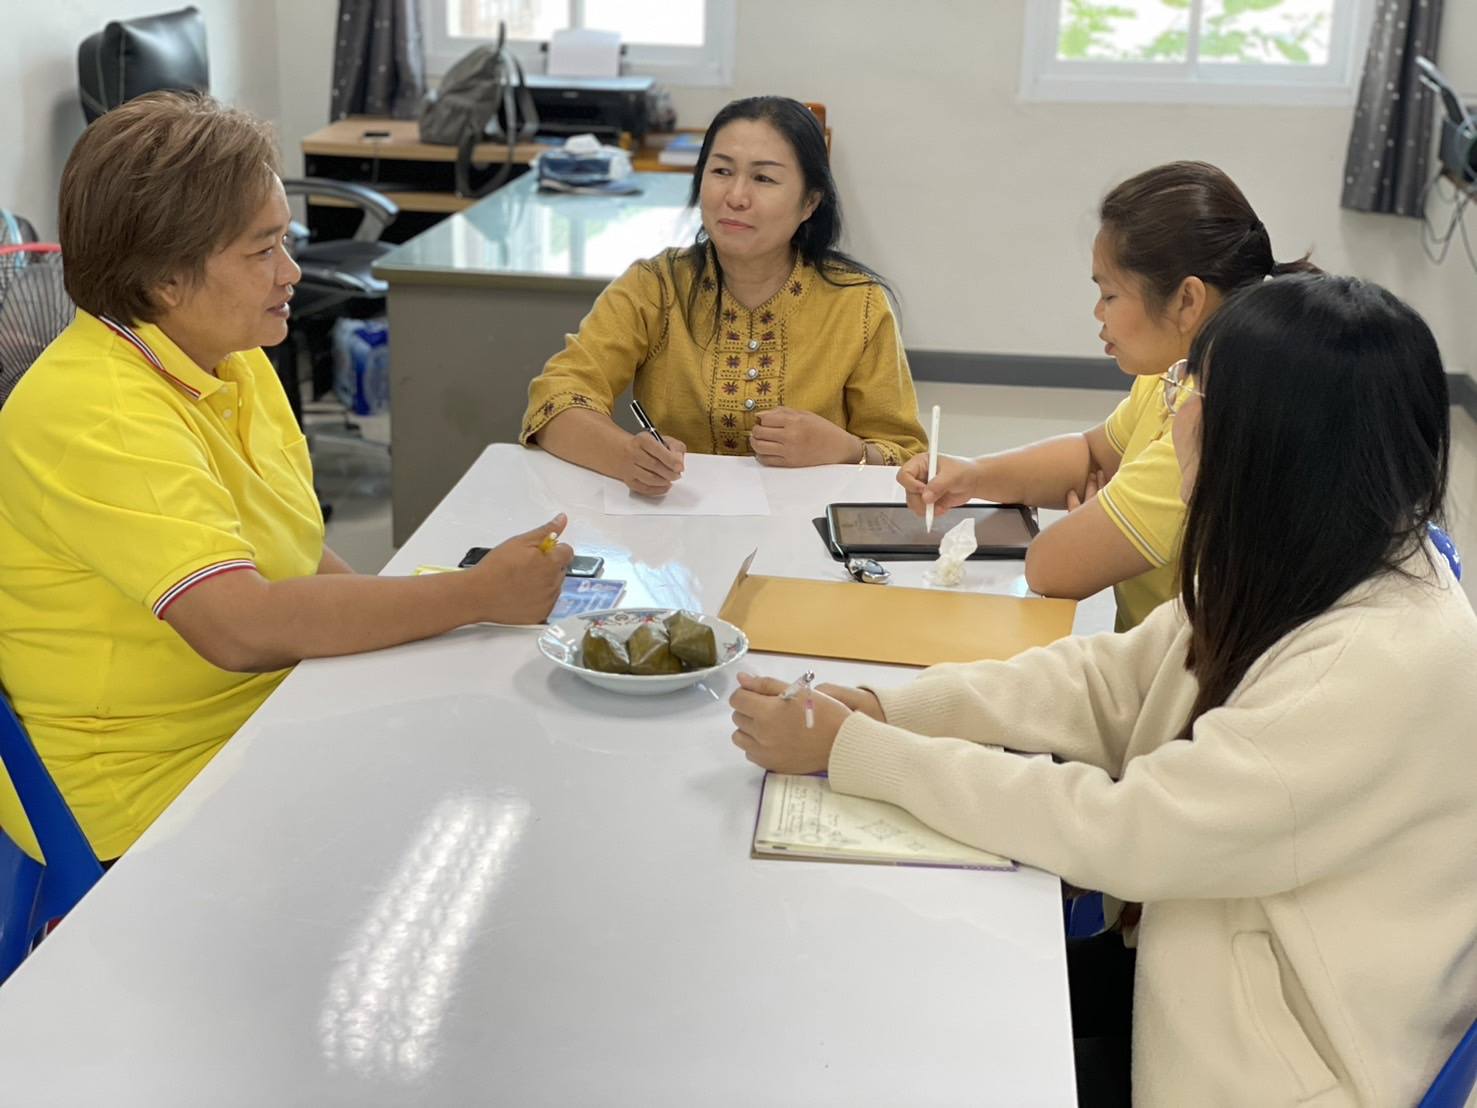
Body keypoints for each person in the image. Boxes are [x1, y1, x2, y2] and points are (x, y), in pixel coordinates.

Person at [729, 275, 1477, 1105]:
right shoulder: (1309, 551)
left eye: (1193, 392)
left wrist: (858, 751)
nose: (1175, 414)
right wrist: (890, 709)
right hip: (1209, 962)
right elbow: (1108, 680)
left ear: (1275, 439)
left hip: (1276, 1066)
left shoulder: (1369, 664)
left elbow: (1126, 831)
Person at [0, 92, 572, 864]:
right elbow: (241, 628)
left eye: (285, 241)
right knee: (479, 816)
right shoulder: (97, 410)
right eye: (262, 250)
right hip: (148, 790)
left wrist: (442, 620)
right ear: (168, 280)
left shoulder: (228, 357)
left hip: (260, 713)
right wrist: (472, 597)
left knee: (503, 747)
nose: (292, 272)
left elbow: (295, 558)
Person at [900, 161, 1314, 630]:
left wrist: (1089, 518)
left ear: (1187, 300)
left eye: (1110, 296)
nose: (1098, 312)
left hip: (1183, 671)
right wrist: (974, 476)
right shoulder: (1175, 373)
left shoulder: (1213, 418)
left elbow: (1050, 569)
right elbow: (1092, 456)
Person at [521, 96, 927, 495]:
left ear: (809, 202)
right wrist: (624, 456)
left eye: (763, 178)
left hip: (806, 528)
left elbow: (907, 455)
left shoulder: (858, 304)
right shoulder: (655, 286)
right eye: (721, 171)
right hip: (674, 525)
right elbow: (555, 399)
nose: (735, 197)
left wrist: (849, 451)